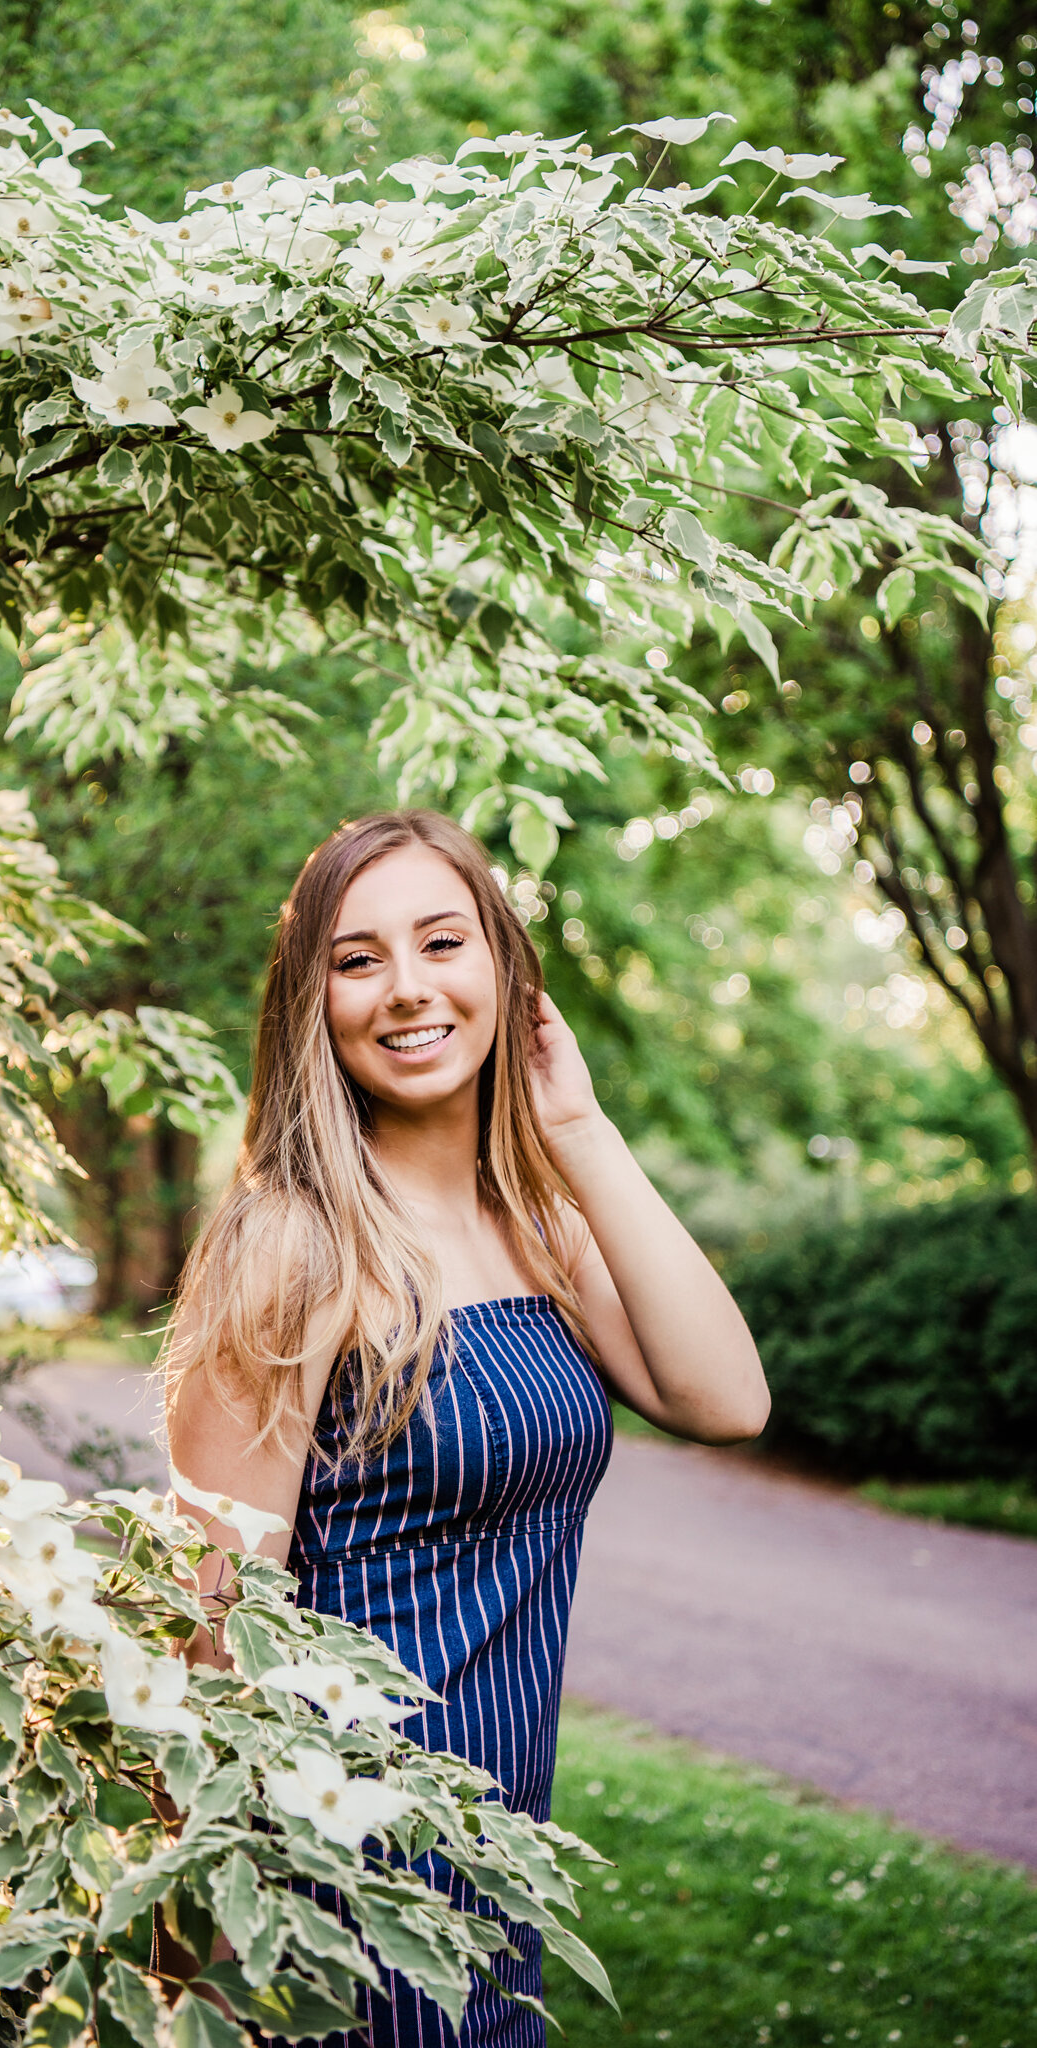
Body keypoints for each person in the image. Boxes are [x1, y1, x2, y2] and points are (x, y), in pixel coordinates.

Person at [165, 808, 769, 2047]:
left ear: (501, 965)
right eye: (356, 957)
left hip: (491, 1867)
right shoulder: (293, 1243)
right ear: (311, 1002)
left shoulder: (536, 1223)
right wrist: (196, 1958)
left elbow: (725, 1400)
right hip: (340, 1876)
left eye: (442, 941)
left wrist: (581, 1130)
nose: (406, 989)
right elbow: (214, 1621)